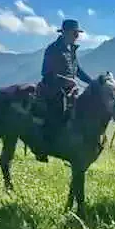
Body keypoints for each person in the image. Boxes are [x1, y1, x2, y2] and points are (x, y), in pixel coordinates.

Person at [36, 19, 93, 162]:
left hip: (69, 88)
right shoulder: (53, 49)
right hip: (53, 87)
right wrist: (66, 80)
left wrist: (93, 82)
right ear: (65, 33)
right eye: (75, 33)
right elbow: (46, 73)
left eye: (77, 33)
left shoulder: (71, 49)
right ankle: (43, 145)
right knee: (57, 110)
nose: (77, 36)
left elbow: (77, 70)